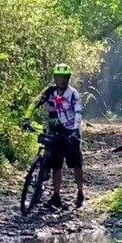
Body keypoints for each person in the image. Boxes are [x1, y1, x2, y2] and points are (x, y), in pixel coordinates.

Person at [23, 63, 84, 208]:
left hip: (70, 132)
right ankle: (56, 196)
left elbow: (78, 112)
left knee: (75, 164)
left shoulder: (73, 94)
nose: (61, 80)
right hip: (54, 131)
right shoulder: (49, 91)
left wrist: (75, 130)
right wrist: (26, 117)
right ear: (55, 78)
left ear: (68, 78)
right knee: (56, 165)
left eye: (64, 77)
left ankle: (80, 192)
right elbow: (36, 102)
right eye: (59, 77)